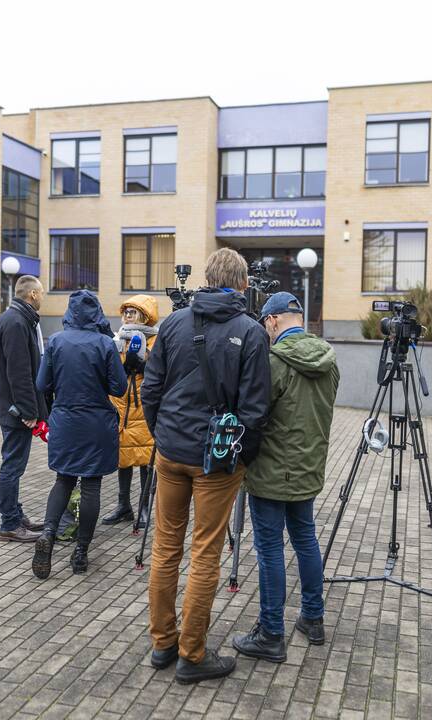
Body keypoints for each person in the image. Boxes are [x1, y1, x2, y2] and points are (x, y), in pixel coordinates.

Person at [141, 248, 270, 684]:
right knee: (206, 553)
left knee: (165, 547)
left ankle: (163, 643)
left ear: (207, 278)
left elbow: (150, 390)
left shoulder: (174, 323)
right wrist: (241, 457)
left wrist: (163, 436)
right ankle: (191, 654)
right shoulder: (250, 332)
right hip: (216, 460)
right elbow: (255, 409)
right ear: (243, 285)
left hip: (171, 452)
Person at [232, 293, 339, 663]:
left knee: (270, 549)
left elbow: (256, 414)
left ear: (274, 321)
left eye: (265, 324)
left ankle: (271, 632)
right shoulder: (328, 360)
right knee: (305, 539)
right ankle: (313, 617)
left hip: (271, 470)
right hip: (308, 468)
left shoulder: (273, 361)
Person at [32, 290, 127, 579]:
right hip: (96, 424)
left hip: (66, 421)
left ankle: (49, 532)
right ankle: (81, 552)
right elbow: (119, 388)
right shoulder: (104, 344)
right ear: (97, 313)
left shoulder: (57, 341)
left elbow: (41, 384)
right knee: (91, 487)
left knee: (63, 479)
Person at [0, 275, 47, 543]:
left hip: (10, 407)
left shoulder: (10, 319)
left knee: (13, 464)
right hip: (16, 411)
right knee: (12, 466)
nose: (43, 297)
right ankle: (10, 523)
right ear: (32, 295)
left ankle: (14, 514)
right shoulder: (16, 322)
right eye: (42, 293)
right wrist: (28, 411)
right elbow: (19, 373)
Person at [102, 295, 161, 527]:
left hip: (144, 406)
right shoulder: (118, 338)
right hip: (121, 405)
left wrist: (143, 365)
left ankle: (144, 508)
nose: (127, 315)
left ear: (145, 316)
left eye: (132, 312)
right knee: (123, 457)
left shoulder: (155, 339)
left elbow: (159, 370)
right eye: (125, 311)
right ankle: (123, 506)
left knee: (146, 458)